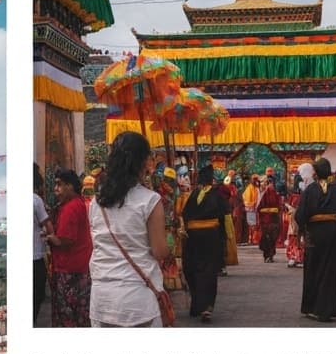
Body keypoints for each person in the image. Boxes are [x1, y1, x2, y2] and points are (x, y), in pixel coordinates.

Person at [87, 131, 171, 328]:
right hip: (137, 297)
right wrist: (170, 246)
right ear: (143, 162)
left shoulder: (96, 202)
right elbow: (159, 251)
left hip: (102, 298)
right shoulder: (150, 200)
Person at [296, 157, 336, 322]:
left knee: (314, 267)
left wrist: (302, 228)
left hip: (315, 233)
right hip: (332, 232)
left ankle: (314, 307)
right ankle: (327, 308)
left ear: (316, 173)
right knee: (330, 268)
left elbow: (301, 214)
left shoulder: (310, 190)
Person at [181, 165, 232, 322]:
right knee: (207, 272)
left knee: (194, 270)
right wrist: (226, 238)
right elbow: (226, 215)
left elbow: (185, 214)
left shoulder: (195, 194)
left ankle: (202, 305)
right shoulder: (215, 195)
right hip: (210, 238)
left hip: (195, 239)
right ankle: (204, 306)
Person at [45, 168, 92, 327]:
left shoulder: (71, 207)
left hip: (70, 269)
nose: (55, 189)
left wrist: (51, 238)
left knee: (69, 316)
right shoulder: (77, 203)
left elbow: (66, 240)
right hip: (79, 266)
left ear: (70, 186)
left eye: (59, 185)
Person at [32, 169, 50, 322]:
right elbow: (47, 225)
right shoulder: (35, 200)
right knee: (37, 296)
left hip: (35, 254)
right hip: (35, 257)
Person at [257, 173, 283, 263]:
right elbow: (259, 209)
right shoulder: (265, 195)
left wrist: (276, 210)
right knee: (267, 238)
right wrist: (269, 210)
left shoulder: (276, 195)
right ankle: (267, 256)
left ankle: (270, 256)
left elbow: (280, 207)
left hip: (274, 221)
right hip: (266, 221)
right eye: (269, 184)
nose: (271, 186)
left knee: (273, 239)